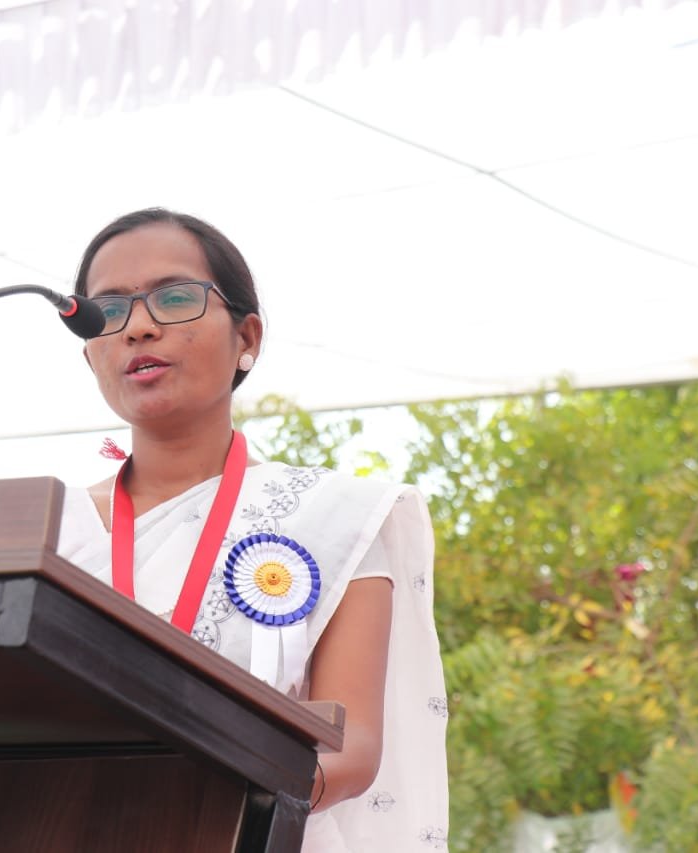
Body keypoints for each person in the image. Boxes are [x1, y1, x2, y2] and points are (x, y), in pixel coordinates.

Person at [55, 208, 449, 851]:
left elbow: (349, 754)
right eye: (110, 310)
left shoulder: (336, 521)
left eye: (175, 297)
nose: (140, 327)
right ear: (91, 354)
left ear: (248, 338)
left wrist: (177, 808)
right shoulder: (49, 531)